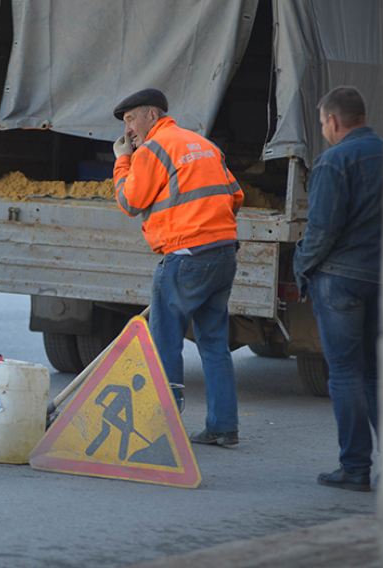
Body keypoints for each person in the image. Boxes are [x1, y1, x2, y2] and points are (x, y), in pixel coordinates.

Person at [112, 88, 244, 446]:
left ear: (152, 116)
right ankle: (223, 427)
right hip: (223, 254)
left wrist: (122, 160)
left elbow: (129, 201)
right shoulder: (202, 144)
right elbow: (235, 195)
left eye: (130, 120)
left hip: (185, 258)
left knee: (165, 344)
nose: (128, 132)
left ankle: (162, 429)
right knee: (214, 344)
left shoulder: (153, 149)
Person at [293, 86, 383, 492]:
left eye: (322, 123)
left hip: (342, 280)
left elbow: (322, 230)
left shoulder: (333, 162)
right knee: (377, 374)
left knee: (345, 373)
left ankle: (355, 467)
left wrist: (303, 268)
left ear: (333, 121)